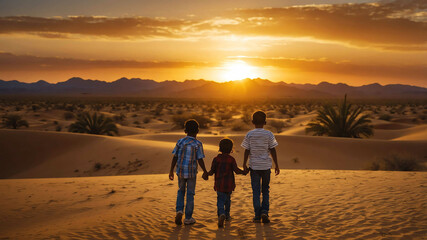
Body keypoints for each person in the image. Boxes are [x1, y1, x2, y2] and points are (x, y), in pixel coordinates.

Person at [241, 111, 280, 223]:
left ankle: (257, 215)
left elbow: (247, 150)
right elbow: (273, 149)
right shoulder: (269, 134)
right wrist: (276, 165)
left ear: (253, 122)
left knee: (256, 191)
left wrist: (244, 164)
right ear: (265, 122)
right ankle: (265, 212)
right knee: (266, 190)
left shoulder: (249, 134)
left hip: (254, 167)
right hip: (266, 167)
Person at [169, 119, 209, 225]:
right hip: (191, 173)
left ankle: (179, 211)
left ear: (185, 131)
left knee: (181, 191)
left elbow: (175, 157)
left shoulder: (180, 142)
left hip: (180, 171)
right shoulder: (198, 144)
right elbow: (200, 159)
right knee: (190, 194)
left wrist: (171, 171)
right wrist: (205, 171)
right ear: (197, 131)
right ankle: (188, 218)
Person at [204, 138, 248, 227]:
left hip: (219, 185)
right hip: (229, 185)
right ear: (231, 149)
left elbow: (212, 171)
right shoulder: (231, 159)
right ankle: (227, 215)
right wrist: (244, 172)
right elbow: (236, 170)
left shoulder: (216, 159)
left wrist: (206, 174)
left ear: (220, 148)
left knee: (220, 200)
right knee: (227, 200)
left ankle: (221, 214)